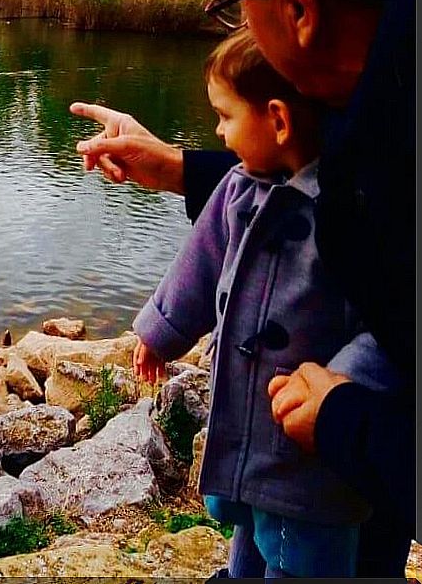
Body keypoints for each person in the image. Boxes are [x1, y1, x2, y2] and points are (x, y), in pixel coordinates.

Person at [71, 0, 417, 577]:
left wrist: (350, 420)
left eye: (232, 2)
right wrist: (170, 168)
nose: (235, 26)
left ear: (294, 7)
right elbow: (264, 195)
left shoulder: (392, 158)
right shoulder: (377, 102)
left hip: (323, 469)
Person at [132, 29, 398, 578]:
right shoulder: (237, 189)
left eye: (225, 116)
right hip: (249, 434)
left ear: (277, 120)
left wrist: (341, 389)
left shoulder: (352, 209)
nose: (217, 131)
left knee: (308, 559)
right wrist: (159, 331)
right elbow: (199, 267)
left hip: (311, 455)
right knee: (249, 540)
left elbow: (392, 324)